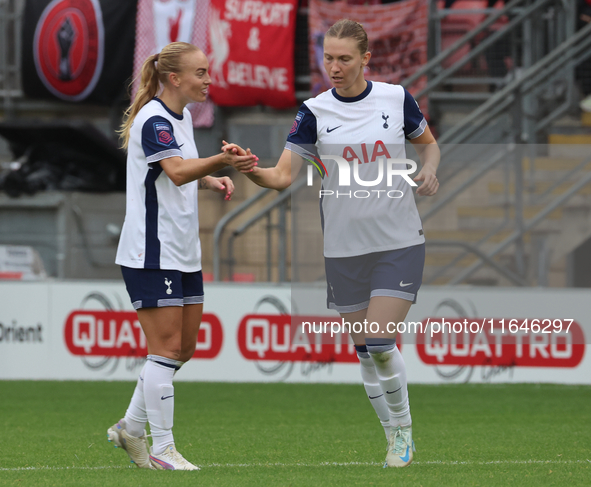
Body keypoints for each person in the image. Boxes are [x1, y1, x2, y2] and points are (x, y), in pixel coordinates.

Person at [226, 19, 440, 468]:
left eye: (344, 59)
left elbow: (429, 146)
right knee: (365, 352)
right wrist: (251, 168)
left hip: (398, 241)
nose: (335, 67)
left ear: (366, 59)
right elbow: (282, 177)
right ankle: (391, 436)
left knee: (381, 342)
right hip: (344, 250)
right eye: (328, 59)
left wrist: (431, 169)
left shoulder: (395, 98)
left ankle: (403, 431)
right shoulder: (313, 112)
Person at [108, 42, 258, 471]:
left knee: (183, 348)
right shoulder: (154, 119)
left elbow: (175, 168)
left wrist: (210, 180)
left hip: (182, 251)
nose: (208, 80)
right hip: (150, 251)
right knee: (167, 346)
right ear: (174, 78)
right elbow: (175, 170)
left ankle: (131, 428)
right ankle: (162, 448)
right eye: (200, 72)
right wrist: (221, 161)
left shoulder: (183, 117)